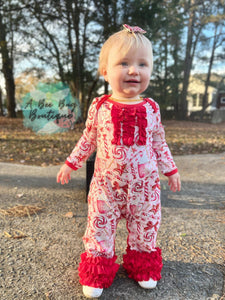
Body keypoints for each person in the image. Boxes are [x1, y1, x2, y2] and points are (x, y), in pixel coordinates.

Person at [57, 24, 181, 298]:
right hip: (106, 187)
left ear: (150, 70)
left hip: (145, 189)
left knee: (146, 228)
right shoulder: (100, 106)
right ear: (105, 71)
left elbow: (159, 141)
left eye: (142, 64)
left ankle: (142, 265)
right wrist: (71, 163)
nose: (134, 70)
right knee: (99, 228)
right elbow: (88, 139)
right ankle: (97, 271)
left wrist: (170, 170)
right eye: (123, 63)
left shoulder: (151, 108)